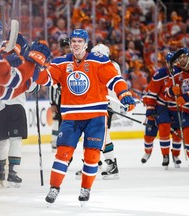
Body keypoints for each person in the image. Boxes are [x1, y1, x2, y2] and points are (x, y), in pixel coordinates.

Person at [35, 29, 136, 205]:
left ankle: (85, 188)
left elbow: (115, 79)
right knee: (63, 153)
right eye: (73, 41)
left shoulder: (99, 61)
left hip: (95, 116)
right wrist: (35, 64)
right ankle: (54, 188)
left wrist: (124, 93)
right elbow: (45, 79)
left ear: (86, 44)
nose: (75, 44)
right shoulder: (60, 63)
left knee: (92, 155)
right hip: (71, 116)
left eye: (79, 41)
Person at [75, 43, 121, 179]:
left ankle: (110, 164)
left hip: (105, 105)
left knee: (103, 136)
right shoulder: (109, 65)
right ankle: (95, 162)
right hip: (101, 105)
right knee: (95, 134)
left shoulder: (107, 66)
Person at [141, 52, 183, 169]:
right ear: (166, 63)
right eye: (171, 63)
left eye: (175, 62)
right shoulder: (160, 74)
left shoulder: (181, 73)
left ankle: (176, 155)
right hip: (162, 105)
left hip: (176, 106)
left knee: (178, 131)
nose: (172, 65)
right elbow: (152, 92)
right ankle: (165, 155)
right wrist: (150, 108)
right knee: (163, 128)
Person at [49, 38, 70, 151]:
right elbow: (52, 83)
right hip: (60, 99)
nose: (69, 49)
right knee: (58, 120)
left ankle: (65, 141)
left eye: (69, 46)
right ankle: (55, 142)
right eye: (66, 47)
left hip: (71, 98)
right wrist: (52, 102)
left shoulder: (77, 61)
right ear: (63, 48)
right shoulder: (58, 62)